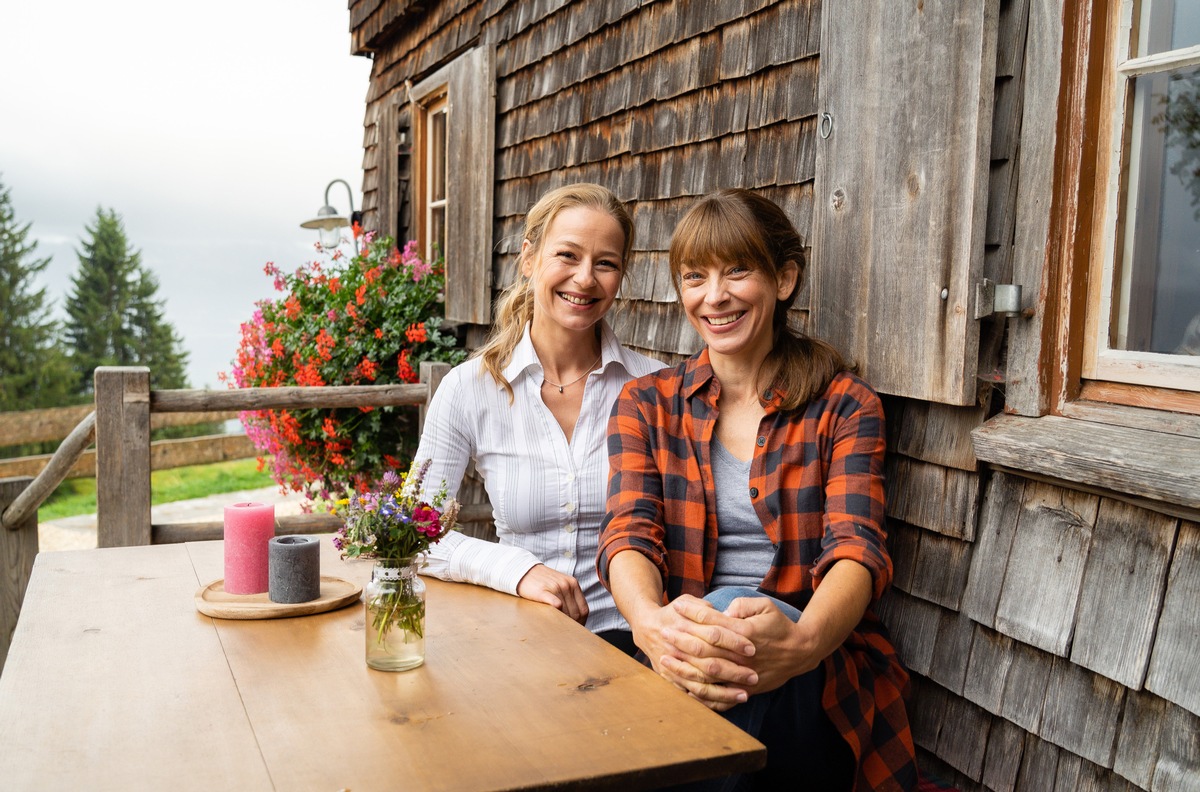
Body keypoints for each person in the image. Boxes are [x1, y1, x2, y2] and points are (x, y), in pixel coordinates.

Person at [597, 189, 918, 790]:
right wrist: (650, 626)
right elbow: (629, 532)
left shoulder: (844, 405)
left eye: (737, 270)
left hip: (811, 664)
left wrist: (802, 642)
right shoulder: (646, 404)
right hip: (681, 645)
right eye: (694, 276)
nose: (713, 296)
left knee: (729, 650)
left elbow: (856, 548)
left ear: (785, 278)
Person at [414, 183, 662, 654]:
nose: (585, 278)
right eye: (567, 255)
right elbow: (414, 531)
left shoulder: (655, 387)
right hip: (521, 637)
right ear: (529, 258)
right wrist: (517, 570)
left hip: (637, 643)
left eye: (605, 263)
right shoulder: (469, 390)